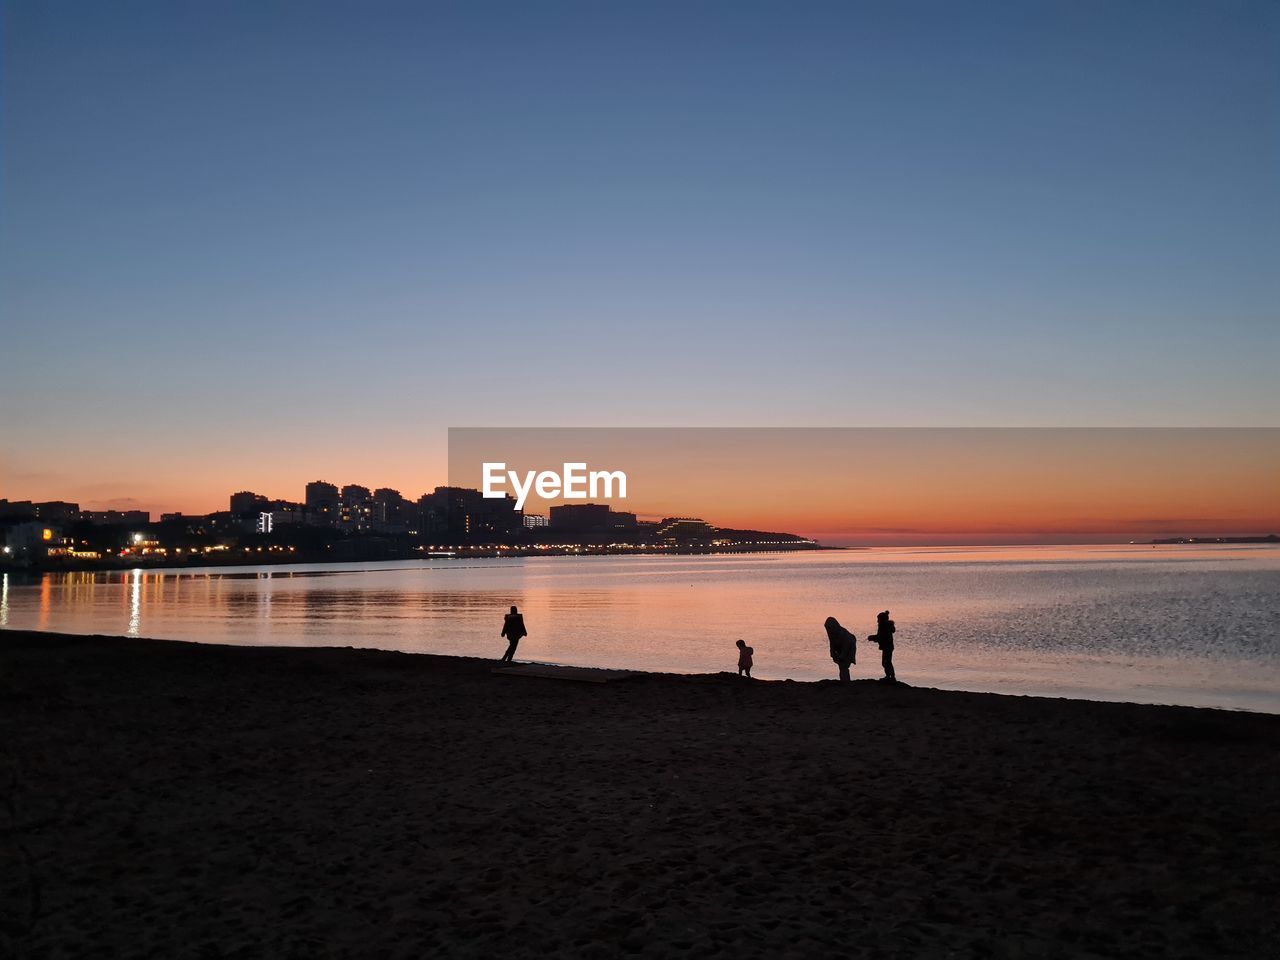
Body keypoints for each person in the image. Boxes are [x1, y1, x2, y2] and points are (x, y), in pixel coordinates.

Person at [824, 616, 856, 682]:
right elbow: (832, 643)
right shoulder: (832, 633)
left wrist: (842, 656)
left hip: (850, 647)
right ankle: (844, 680)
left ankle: (845, 681)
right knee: (842, 666)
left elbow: (846, 646)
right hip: (840, 648)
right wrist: (832, 652)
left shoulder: (843, 634)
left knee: (844, 666)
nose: (828, 629)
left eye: (829, 628)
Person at [868, 609, 896, 681]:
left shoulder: (882, 626)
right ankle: (890, 676)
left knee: (886, 662)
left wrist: (872, 638)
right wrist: (874, 638)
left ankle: (891, 677)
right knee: (886, 662)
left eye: (878, 619)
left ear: (881, 619)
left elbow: (881, 636)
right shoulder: (886, 626)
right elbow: (881, 636)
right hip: (888, 646)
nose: (877, 621)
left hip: (887, 646)